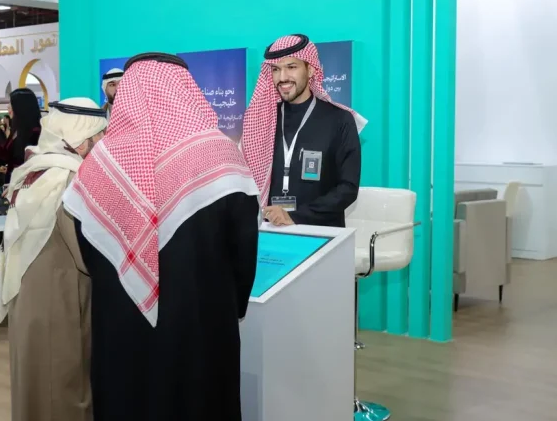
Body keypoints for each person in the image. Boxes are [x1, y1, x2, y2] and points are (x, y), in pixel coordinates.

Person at [64, 53, 260, 421]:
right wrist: (233, 306)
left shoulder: (99, 163)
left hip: (122, 327)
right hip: (202, 324)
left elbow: (88, 249)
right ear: (185, 90)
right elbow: (244, 249)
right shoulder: (222, 155)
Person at [0, 97, 108, 421]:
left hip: (29, 298)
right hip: (60, 300)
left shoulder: (34, 169)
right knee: (63, 389)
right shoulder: (70, 179)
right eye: (98, 136)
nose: (104, 143)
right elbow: (87, 252)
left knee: (34, 385)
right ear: (79, 140)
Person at [242, 34, 367, 227]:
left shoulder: (340, 120)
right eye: (276, 69)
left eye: (291, 67)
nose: (282, 77)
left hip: (322, 232)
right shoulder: (261, 120)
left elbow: (347, 189)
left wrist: (296, 216)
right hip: (270, 229)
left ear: (310, 70)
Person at [0, 88, 41, 184]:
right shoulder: (17, 130)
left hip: (25, 183)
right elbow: (8, 155)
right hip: (14, 180)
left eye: (11, 103)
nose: (8, 107)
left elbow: (28, 161)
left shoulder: (35, 132)